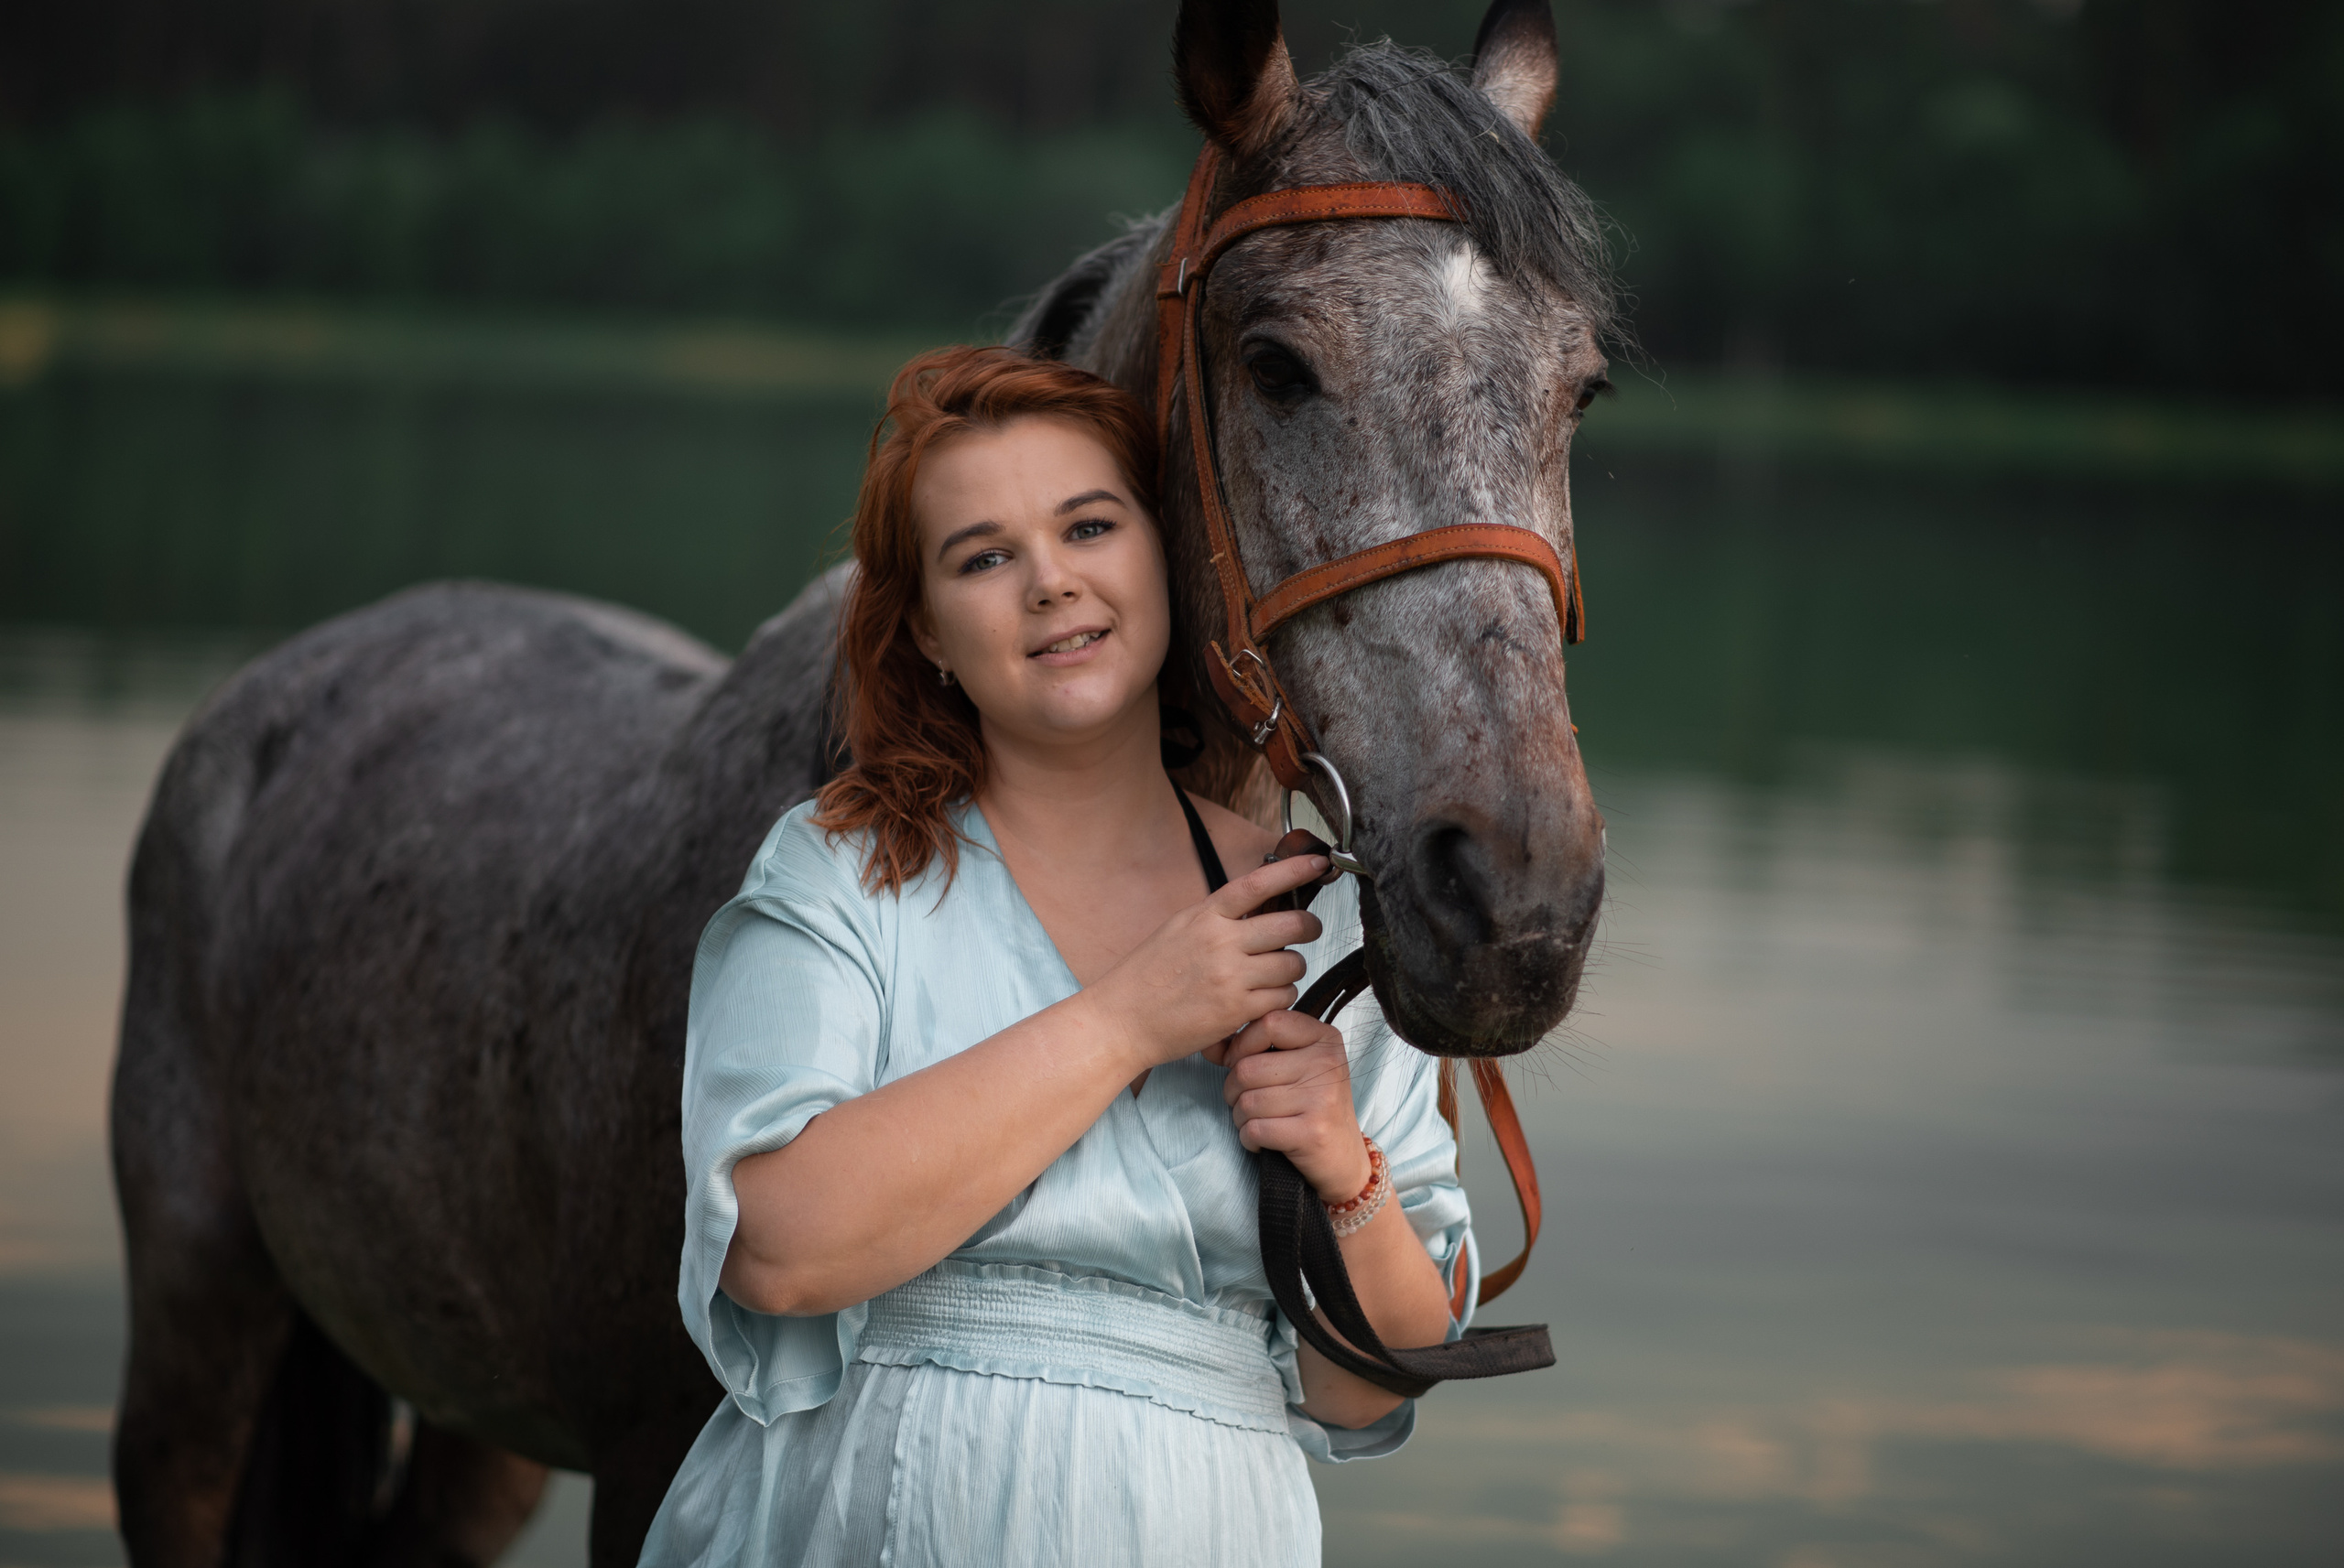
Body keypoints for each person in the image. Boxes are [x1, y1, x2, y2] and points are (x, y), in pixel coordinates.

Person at [639, 345, 1477, 1567]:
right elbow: (774, 1249)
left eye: (1090, 526)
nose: (1050, 583)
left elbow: (1371, 1385)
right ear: (926, 627)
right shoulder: (844, 874)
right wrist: (1133, 1018)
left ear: (1166, 556)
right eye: (984, 556)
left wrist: (1342, 1164)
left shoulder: (1320, 918)